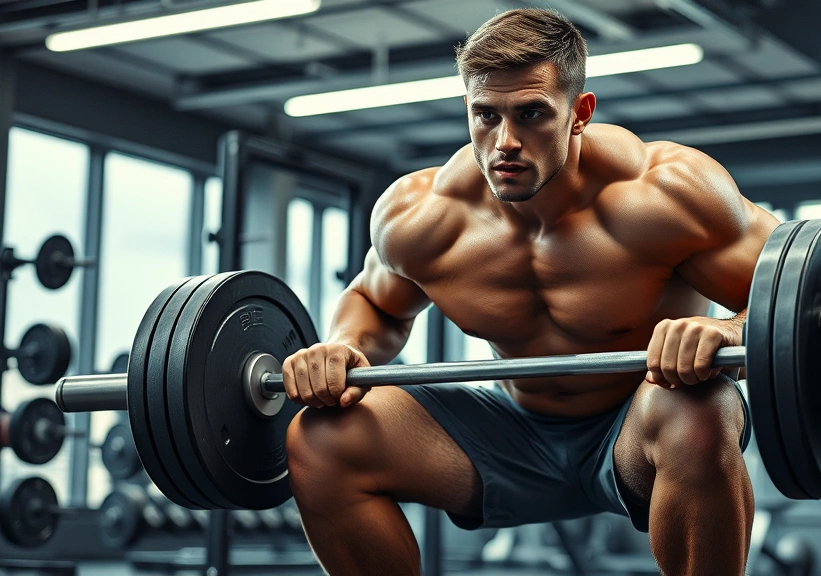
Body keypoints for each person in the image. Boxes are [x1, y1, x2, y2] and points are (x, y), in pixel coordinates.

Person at [283, 8, 778, 576]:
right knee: (322, 438)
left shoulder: (666, 195)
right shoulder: (423, 218)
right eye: (485, 116)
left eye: (532, 114)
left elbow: (796, 297)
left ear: (579, 113)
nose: (505, 142)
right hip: (509, 430)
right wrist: (344, 345)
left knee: (700, 409)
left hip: (639, 427)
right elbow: (373, 301)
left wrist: (729, 330)